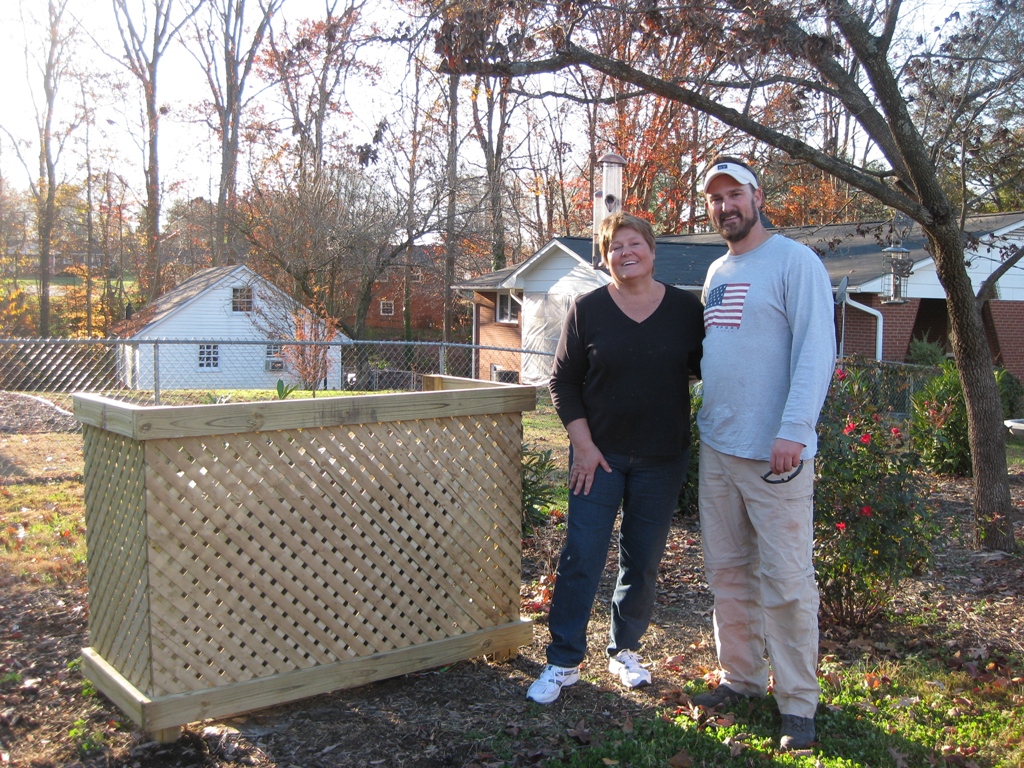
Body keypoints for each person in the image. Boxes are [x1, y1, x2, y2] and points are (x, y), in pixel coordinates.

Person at [527, 212, 704, 705]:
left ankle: (625, 650)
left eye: (634, 243)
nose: (626, 253)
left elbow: (709, 366)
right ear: (605, 259)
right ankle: (563, 661)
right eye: (615, 247)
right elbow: (562, 382)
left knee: (642, 559)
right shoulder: (589, 309)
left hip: (662, 458)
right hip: (597, 458)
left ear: (651, 249)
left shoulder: (686, 310)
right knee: (582, 555)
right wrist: (583, 446)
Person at [694, 156, 836, 750]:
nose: (725, 206)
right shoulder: (715, 271)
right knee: (728, 574)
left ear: (757, 195)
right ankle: (742, 679)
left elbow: (816, 350)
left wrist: (794, 431)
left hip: (776, 454)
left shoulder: (795, 262)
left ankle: (798, 705)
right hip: (719, 450)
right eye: (715, 199)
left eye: (734, 194)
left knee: (785, 580)